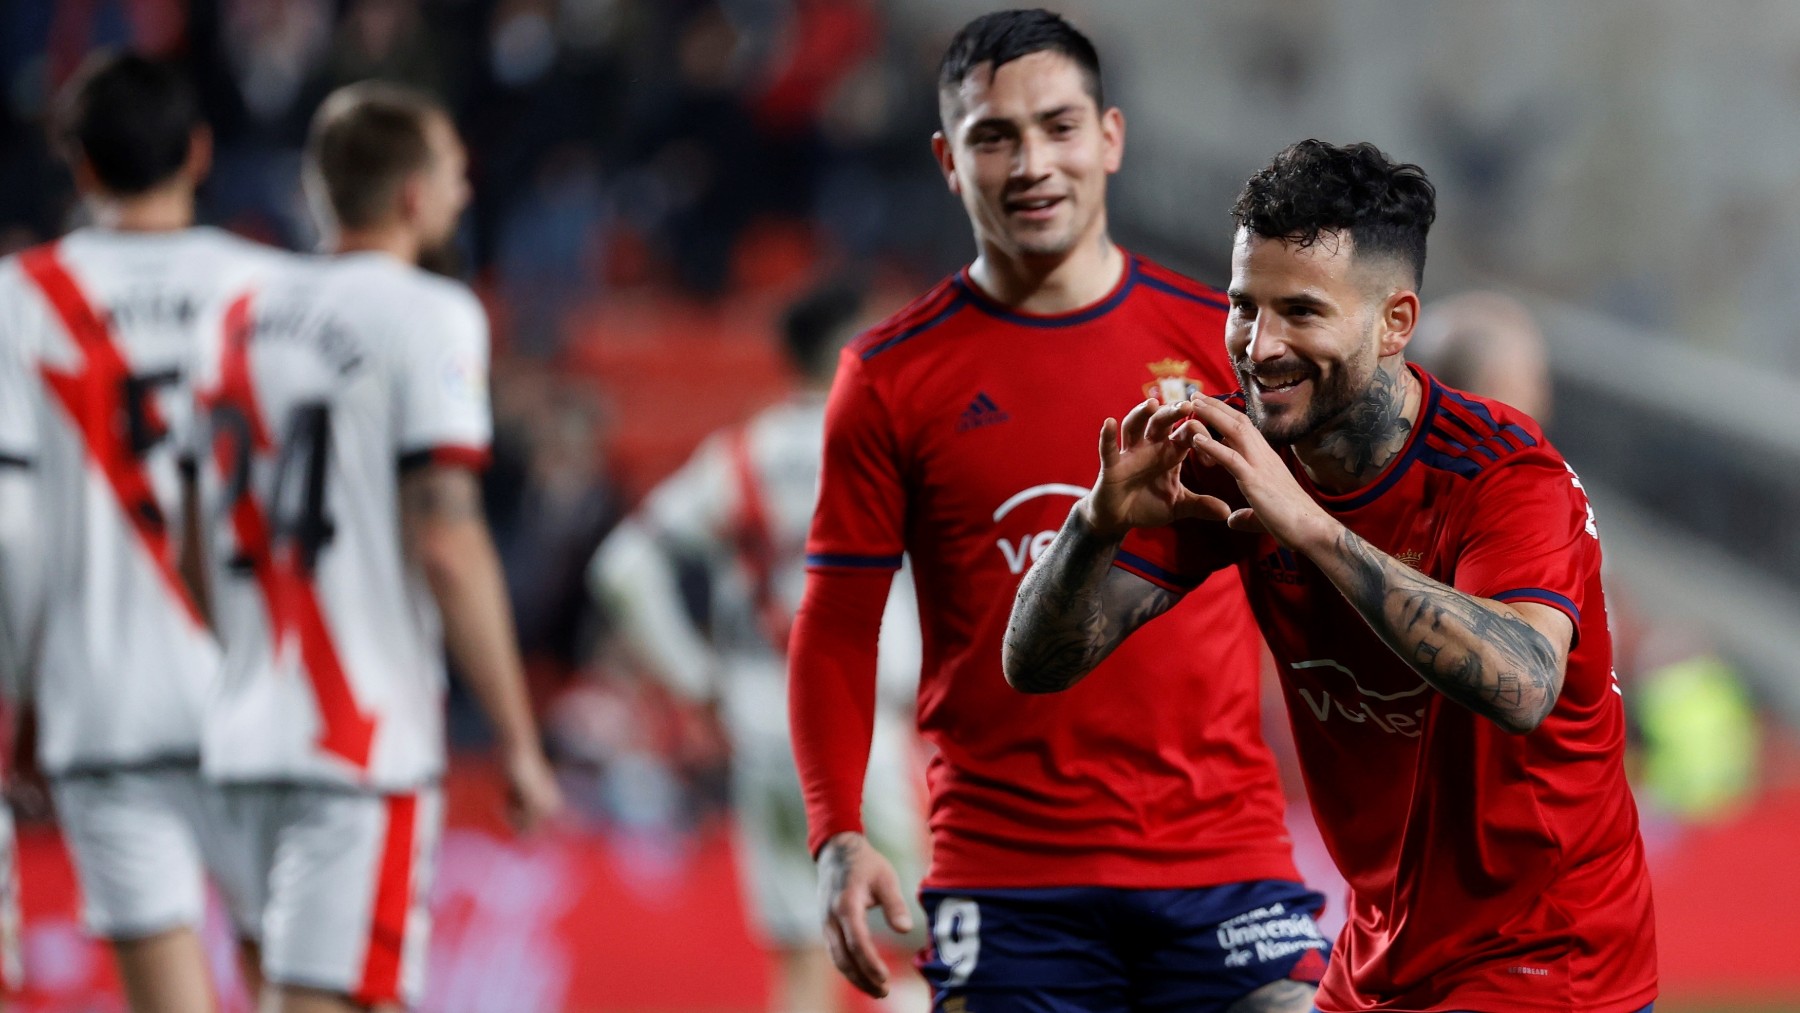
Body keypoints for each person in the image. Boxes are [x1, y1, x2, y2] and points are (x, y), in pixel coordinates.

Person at [1005, 139, 1657, 1013]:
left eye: (1301, 312)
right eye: (1244, 307)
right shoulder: (1236, 457)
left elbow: (1524, 684)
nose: (1260, 345)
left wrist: (1304, 522)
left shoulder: (1506, 476)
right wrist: (1096, 523)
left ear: (1395, 322)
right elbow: (1035, 665)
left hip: (1548, 956)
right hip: (1380, 951)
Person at [791, 10, 1326, 1012]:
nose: (1032, 161)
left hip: (1223, 853)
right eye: (996, 137)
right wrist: (836, 830)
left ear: (1111, 137)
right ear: (950, 161)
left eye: (1059, 126)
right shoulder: (889, 377)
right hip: (1007, 874)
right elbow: (835, 625)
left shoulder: (1223, 346)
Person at [191, 82, 562, 1013]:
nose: (465, 192)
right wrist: (518, 736)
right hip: (354, 740)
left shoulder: (231, 312)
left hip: (233, 734)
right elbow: (447, 534)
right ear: (411, 193)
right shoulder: (429, 312)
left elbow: (194, 531)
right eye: (453, 173)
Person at [0, 52, 290, 1013]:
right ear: (200, 152)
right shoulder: (280, 292)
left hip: (104, 698)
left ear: (76, 162)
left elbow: (10, 530)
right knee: (296, 982)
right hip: (269, 696)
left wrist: (23, 690)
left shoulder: (18, 302)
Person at [590, 278, 927, 1013]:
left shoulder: (740, 456)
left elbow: (621, 569)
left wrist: (694, 678)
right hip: (863, 723)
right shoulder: (890, 445)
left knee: (806, 953)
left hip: (765, 724)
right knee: (922, 942)